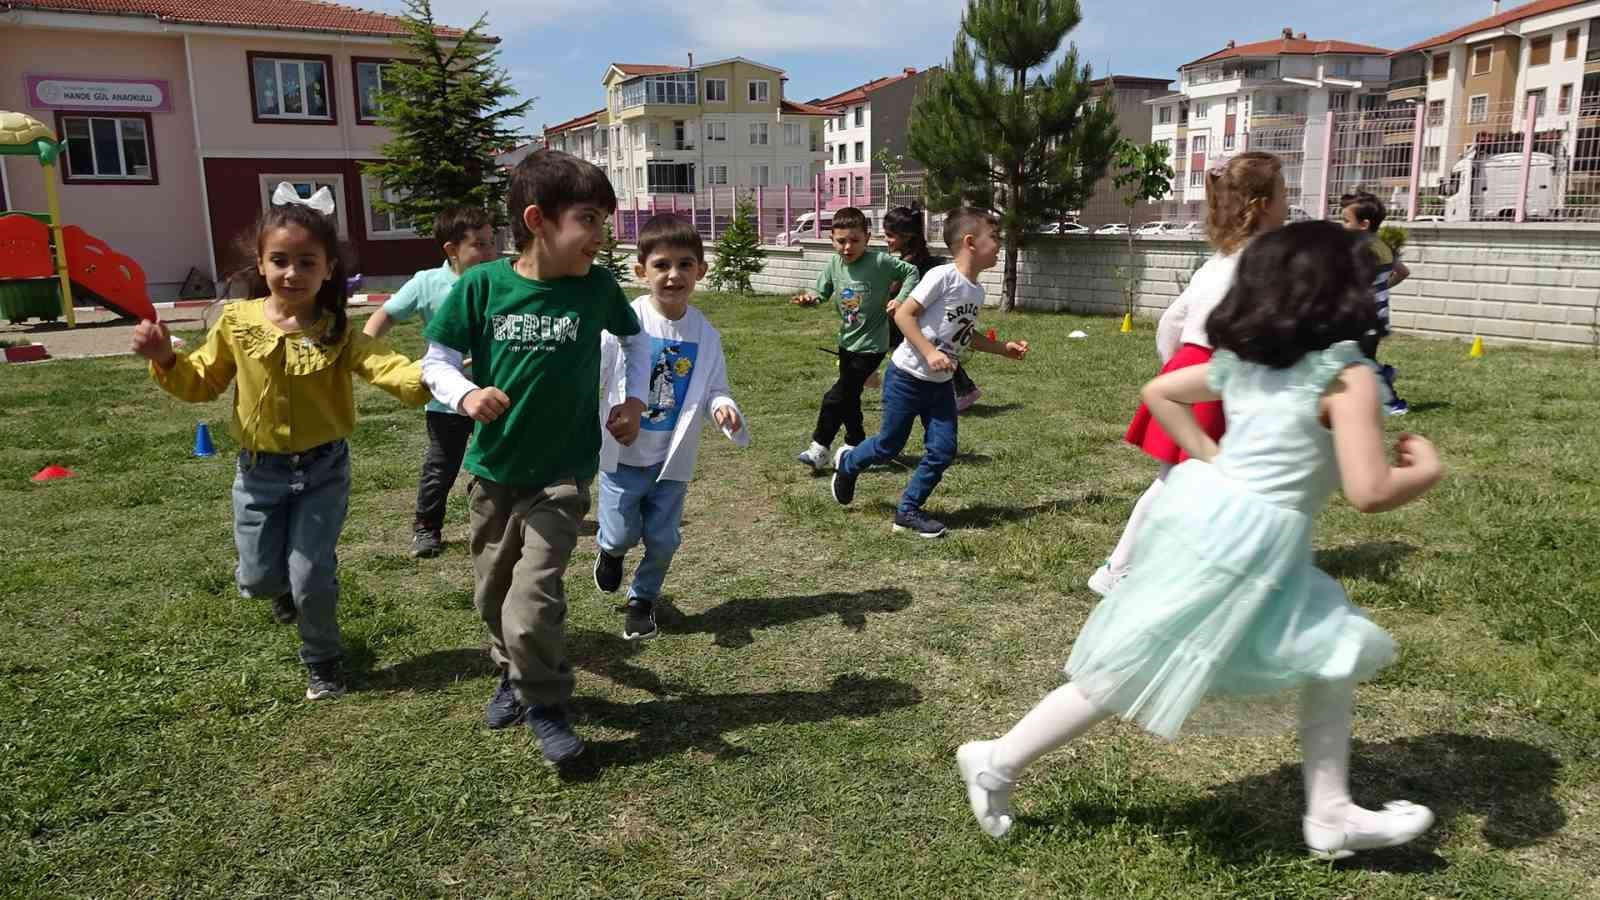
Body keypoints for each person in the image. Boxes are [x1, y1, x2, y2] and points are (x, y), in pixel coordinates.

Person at [956, 221, 1443, 857]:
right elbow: (1370, 491)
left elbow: (1160, 391)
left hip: (1229, 527)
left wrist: (1213, 462)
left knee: (1332, 653)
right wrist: (1425, 470)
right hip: (1248, 544)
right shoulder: (1346, 378)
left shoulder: (1253, 358)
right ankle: (994, 758)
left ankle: (1331, 814)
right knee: (1134, 666)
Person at [131, 189, 430, 701]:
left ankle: (322, 660)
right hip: (258, 474)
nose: (292, 273)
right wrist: (166, 359)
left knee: (312, 572)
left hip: (323, 470)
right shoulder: (237, 323)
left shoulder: (337, 330)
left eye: (306, 262)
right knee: (259, 576)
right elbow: (201, 382)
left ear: (328, 268)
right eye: (280, 260)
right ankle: (280, 592)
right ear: (260, 263)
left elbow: (390, 369)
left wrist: (439, 375)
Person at [420, 150, 650, 764]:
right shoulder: (481, 287)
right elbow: (436, 361)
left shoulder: (596, 288)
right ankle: (512, 675)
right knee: (492, 598)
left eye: (604, 220)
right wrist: (466, 393)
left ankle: (546, 703)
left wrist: (632, 398)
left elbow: (636, 339)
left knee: (533, 599)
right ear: (537, 220)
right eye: (588, 221)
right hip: (493, 474)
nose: (601, 238)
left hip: (563, 476)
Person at [1089, 152, 1288, 597]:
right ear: (1260, 204)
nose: (1288, 203)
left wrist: (1175, 371)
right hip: (1220, 375)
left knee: (1190, 478)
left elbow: (1171, 323)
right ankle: (1119, 568)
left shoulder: (1219, 261)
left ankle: (1194, 561)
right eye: (1283, 194)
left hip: (1196, 370)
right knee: (1180, 480)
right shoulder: (1265, 262)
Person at [593, 214, 747, 641]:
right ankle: (609, 550)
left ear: (701, 270)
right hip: (624, 456)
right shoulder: (626, 321)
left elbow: (715, 386)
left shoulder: (705, 334)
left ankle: (642, 600)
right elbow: (599, 372)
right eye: (662, 265)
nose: (673, 275)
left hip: (670, 462)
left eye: (685, 264)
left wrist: (723, 407)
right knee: (622, 531)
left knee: (663, 540)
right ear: (641, 271)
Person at [829, 208, 1028, 538]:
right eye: (994, 238)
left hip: (940, 386)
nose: (999, 244)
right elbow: (904, 316)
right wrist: (930, 352)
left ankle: (907, 510)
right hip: (906, 377)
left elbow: (966, 334)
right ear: (970, 243)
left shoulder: (975, 291)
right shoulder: (942, 277)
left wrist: (1002, 348)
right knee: (888, 447)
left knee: (943, 450)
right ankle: (849, 464)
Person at [362, 206, 500, 558]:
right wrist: (369, 356)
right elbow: (384, 316)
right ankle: (427, 527)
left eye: (491, 242)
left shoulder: (501, 279)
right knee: (441, 466)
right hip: (446, 399)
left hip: (496, 394)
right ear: (451, 250)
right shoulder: (427, 283)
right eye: (479, 245)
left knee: (502, 460)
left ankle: (496, 509)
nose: (489, 252)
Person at [790, 206, 920, 472]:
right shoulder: (833, 265)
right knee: (850, 398)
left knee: (835, 396)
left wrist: (901, 299)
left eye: (855, 240)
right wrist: (810, 298)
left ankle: (820, 447)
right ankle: (858, 446)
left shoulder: (879, 262)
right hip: (846, 342)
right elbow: (821, 291)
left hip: (872, 346)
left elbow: (911, 273)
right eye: (841, 241)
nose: (848, 247)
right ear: (832, 240)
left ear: (867, 238)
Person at [881, 205, 983, 413]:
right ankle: (963, 389)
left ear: (906, 236)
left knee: (939, 352)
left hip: (919, 324)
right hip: (918, 324)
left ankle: (964, 390)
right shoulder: (916, 261)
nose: (886, 240)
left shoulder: (914, 265)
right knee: (941, 352)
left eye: (890, 235)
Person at [1340, 191, 1411, 416]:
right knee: (1358, 359)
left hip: (1366, 319)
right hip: (1376, 316)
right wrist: (1381, 288)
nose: (1342, 226)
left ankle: (1393, 402)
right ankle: (1381, 376)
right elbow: (1402, 272)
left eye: (1346, 220)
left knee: (1363, 362)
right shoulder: (1383, 247)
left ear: (1363, 225)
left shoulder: (1362, 251)